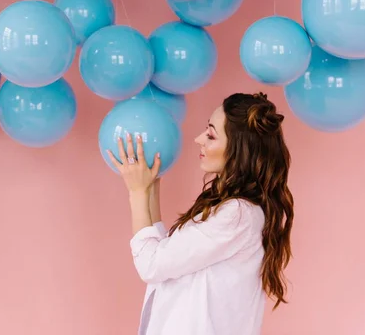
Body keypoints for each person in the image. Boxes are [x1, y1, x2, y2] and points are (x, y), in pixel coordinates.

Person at [106, 92, 294, 335]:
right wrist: (151, 186)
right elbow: (165, 258)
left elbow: (151, 265)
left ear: (239, 150)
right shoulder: (234, 212)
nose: (198, 139)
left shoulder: (238, 216)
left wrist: (138, 192)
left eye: (211, 134)